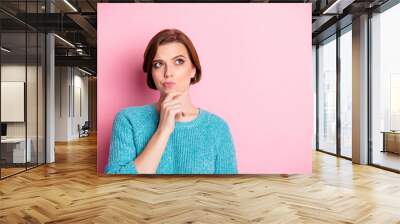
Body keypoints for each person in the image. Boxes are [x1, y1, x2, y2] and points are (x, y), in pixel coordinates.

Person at [105, 28, 237, 174]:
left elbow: (226, 191)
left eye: (178, 61)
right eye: (158, 64)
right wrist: (163, 130)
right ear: (152, 73)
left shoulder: (217, 127)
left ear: (193, 69)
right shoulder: (128, 120)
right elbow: (117, 185)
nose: (168, 73)